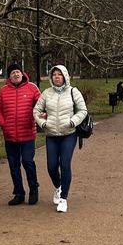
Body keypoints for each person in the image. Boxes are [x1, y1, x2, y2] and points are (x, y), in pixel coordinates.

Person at [33, 65, 87, 213]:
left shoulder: (73, 92)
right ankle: (58, 187)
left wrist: (73, 121)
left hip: (69, 133)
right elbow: (36, 111)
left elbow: (83, 110)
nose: (56, 77)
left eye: (59, 74)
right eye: (54, 74)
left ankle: (63, 198)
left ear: (65, 76)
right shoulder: (46, 93)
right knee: (51, 167)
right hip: (51, 135)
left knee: (64, 164)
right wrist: (43, 123)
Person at [0, 63, 42, 206]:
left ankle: (34, 189)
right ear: (9, 76)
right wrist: (3, 124)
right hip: (10, 135)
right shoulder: (3, 91)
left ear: (22, 73)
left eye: (18, 72)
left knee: (27, 162)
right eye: (13, 73)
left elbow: (40, 105)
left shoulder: (32, 88)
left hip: (27, 133)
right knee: (14, 165)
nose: (16, 74)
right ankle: (19, 193)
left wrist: (38, 117)